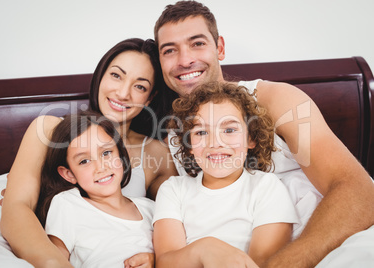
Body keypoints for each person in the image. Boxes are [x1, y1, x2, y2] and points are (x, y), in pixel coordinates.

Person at [153, 1, 374, 267]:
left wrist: (283, 263)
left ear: (220, 47)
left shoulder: (276, 99)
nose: (185, 59)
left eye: (197, 43)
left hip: (332, 242)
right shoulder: (175, 138)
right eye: (169, 50)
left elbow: (358, 190)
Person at [0, 38, 177, 268]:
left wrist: (159, 258)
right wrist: (55, 263)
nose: (123, 93)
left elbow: (178, 220)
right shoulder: (48, 130)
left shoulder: (156, 152)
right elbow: (16, 207)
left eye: (140, 86)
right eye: (116, 75)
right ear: (100, 75)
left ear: (150, 97)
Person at [153, 82, 300, 267]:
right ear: (189, 144)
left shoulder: (266, 187)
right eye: (201, 132)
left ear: (251, 139)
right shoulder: (173, 189)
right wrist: (204, 249)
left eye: (229, 130)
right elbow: (166, 262)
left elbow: (264, 262)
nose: (215, 142)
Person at [36, 111, 154, 268]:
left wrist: (155, 259)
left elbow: (175, 254)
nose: (101, 167)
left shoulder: (151, 209)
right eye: (84, 161)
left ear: (120, 155)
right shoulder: (68, 203)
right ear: (69, 174)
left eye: (106, 153)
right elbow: (56, 259)